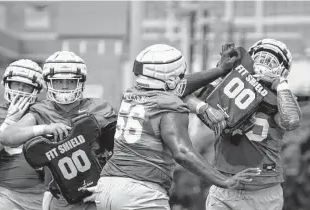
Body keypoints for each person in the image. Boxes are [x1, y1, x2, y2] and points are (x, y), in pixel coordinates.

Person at [92, 44, 260, 210]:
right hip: (140, 193)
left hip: (106, 187)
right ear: (172, 79)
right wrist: (224, 180)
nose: (183, 78)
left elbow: (178, 86)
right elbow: (182, 153)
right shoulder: (171, 105)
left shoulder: (130, 94)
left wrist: (220, 70)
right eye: (180, 75)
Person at [185, 39, 301, 210]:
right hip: (224, 186)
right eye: (260, 57)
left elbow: (291, 121)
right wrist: (203, 107)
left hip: (263, 191)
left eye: (270, 60)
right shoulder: (230, 84)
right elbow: (182, 90)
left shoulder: (280, 100)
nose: (264, 63)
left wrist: (281, 85)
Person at [0, 51, 118, 210]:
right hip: (62, 197)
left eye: (70, 81)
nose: (64, 86)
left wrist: (112, 187)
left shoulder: (99, 107)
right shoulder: (41, 111)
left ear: (81, 82)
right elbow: (7, 137)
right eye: (58, 81)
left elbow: (121, 151)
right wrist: (44, 128)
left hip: (99, 193)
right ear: (48, 83)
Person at [0, 59, 46, 210]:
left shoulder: (45, 112)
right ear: (7, 84)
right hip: (6, 194)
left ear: (36, 89)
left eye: (26, 86)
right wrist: (8, 122)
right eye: (16, 83)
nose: (20, 89)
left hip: (43, 194)